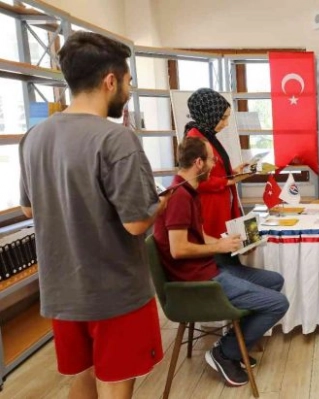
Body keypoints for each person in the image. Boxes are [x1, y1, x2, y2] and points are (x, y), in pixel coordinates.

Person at [18, 32, 167, 399]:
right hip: (113, 293)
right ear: (110, 80)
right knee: (116, 384)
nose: (129, 91)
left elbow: (29, 208)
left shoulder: (33, 138)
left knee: (81, 380)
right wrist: (161, 202)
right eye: (129, 81)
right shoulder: (117, 139)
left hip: (61, 290)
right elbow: (136, 222)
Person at [153, 137, 289, 387]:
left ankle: (234, 345)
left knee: (275, 281)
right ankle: (224, 352)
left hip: (208, 268)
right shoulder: (180, 197)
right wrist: (218, 246)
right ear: (198, 162)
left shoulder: (188, 190)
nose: (215, 164)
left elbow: (198, 233)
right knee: (278, 303)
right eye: (212, 160)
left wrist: (229, 241)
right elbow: (178, 249)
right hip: (198, 282)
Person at [184, 88, 250, 238]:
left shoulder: (207, 135)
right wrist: (228, 181)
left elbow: (214, 170)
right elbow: (195, 180)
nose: (226, 124)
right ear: (209, 114)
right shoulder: (195, 139)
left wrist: (233, 172)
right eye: (223, 118)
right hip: (210, 208)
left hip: (221, 204)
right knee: (217, 251)